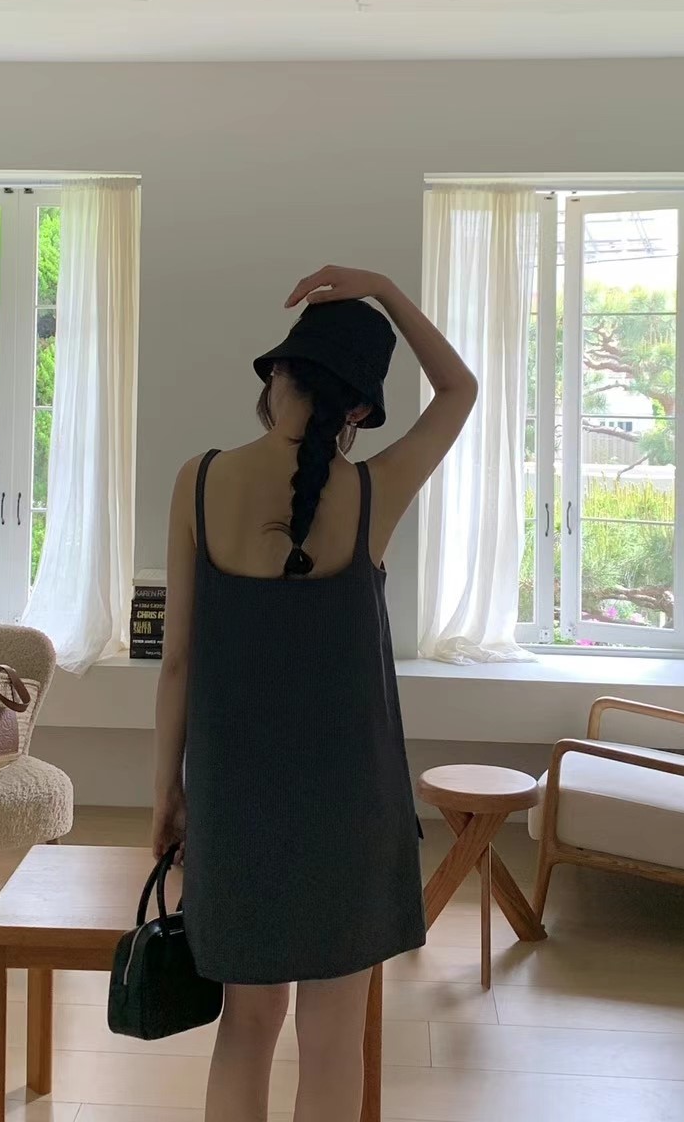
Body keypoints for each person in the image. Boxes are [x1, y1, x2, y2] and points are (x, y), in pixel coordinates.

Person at [152, 264, 477, 1122]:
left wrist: (166, 792)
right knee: (334, 1041)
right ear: (359, 410)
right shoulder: (375, 490)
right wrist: (386, 289)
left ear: (278, 379)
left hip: (236, 801)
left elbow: (177, 661)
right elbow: (460, 388)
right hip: (352, 808)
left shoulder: (198, 481)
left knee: (245, 1028)